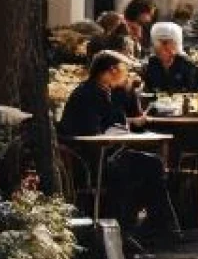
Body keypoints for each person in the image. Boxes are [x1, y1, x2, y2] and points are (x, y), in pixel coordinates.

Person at [57, 51, 178, 243]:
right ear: (112, 70)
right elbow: (91, 131)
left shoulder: (101, 91)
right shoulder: (89, 93)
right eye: (124, 70)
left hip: (105, 155)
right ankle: (156, 227)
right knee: (150, 166)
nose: (127, 74)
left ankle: (156, 226)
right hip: (92, 161)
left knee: (151, 164)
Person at [140, 23, 198, 93]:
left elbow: (191, 91)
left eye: (165, 43)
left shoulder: (186, 64)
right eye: (158, 42)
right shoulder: (151, 63)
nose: (162, 47)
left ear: (177, 43)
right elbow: (147, 89)